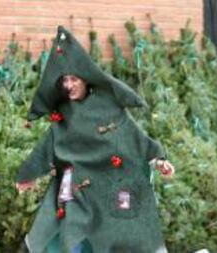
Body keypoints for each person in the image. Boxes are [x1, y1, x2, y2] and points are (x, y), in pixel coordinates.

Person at [15, 26, 174, 253]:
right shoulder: (64, 114)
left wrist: (158, 160)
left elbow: (134, 136)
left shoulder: (108, 107)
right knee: (69, 234)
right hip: (75, 189)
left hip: (108, 187)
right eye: (64, 81)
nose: (68, 85)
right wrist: (28, 174)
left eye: (73, 79)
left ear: (86, 79)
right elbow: (49, 144)